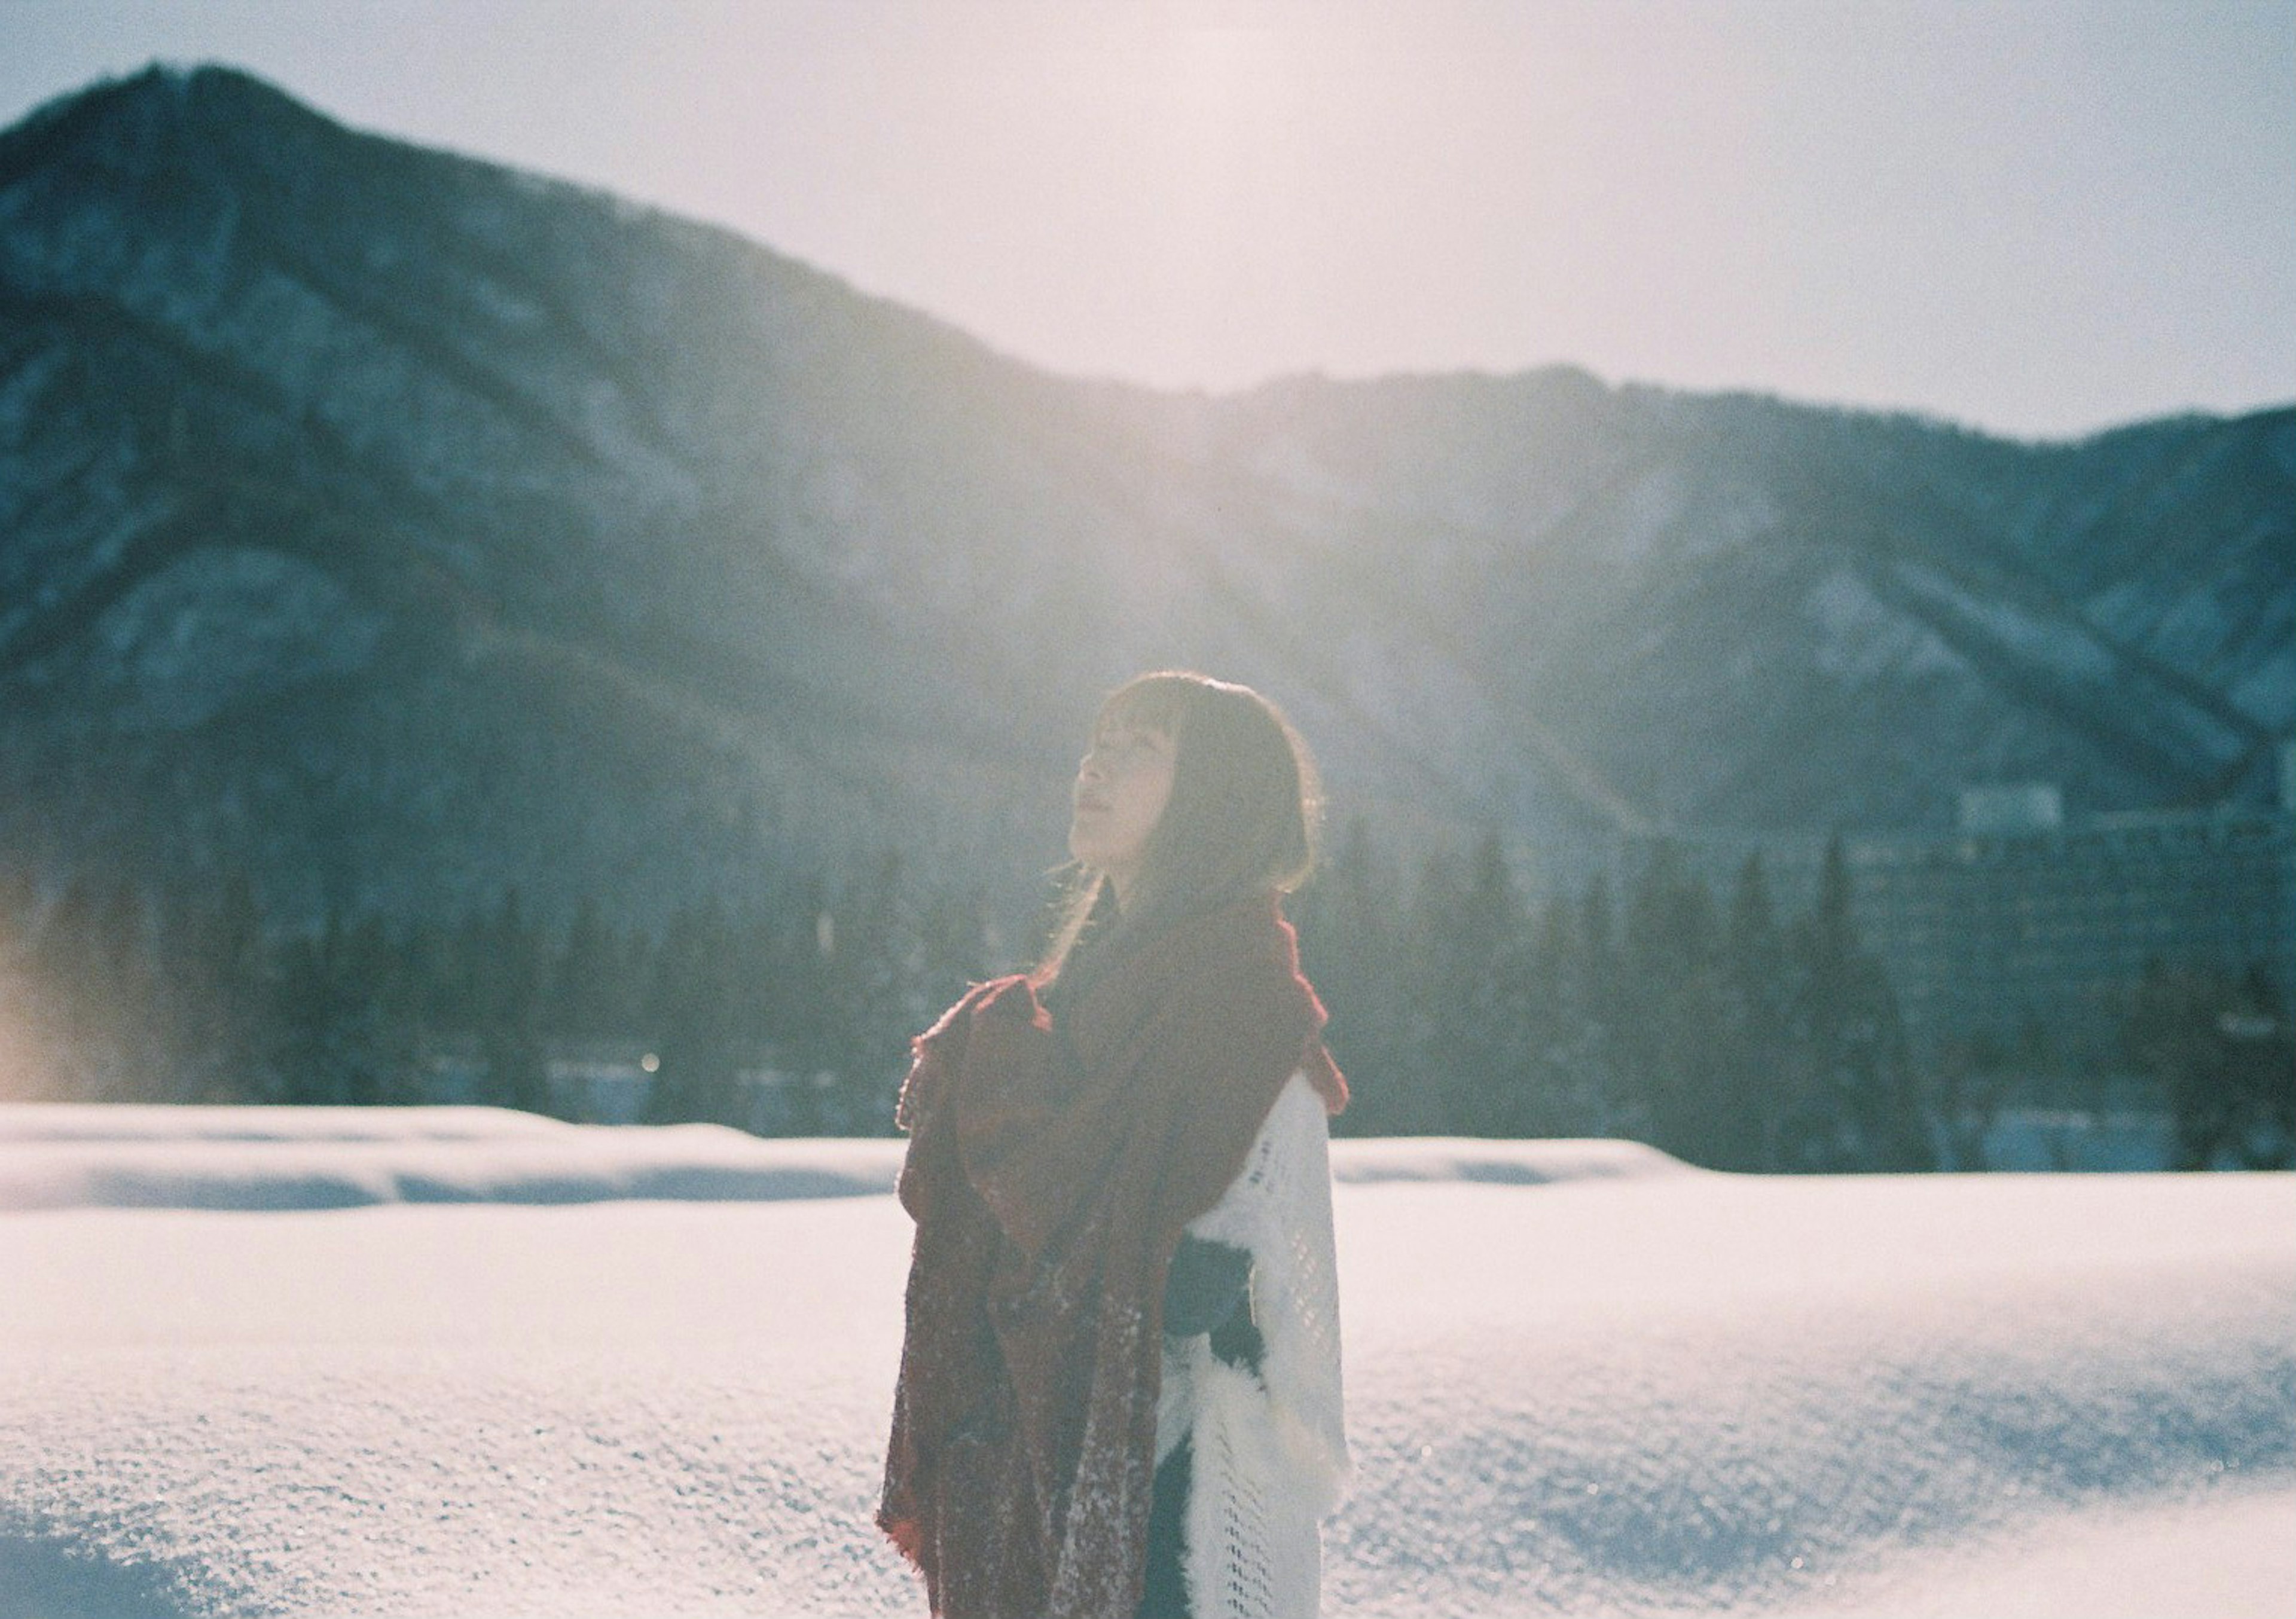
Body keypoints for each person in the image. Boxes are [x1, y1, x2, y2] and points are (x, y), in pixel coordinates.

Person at [878, 670, 1351, 1619]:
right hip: (1029, 1479)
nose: (1095, 763)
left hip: (1169, 1497)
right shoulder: (1046, 1020)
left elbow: (1192, 1288)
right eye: (1100, 739)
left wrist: (1040, 1237)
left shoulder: (1247, 1012)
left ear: (1213, 795)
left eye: (1143, 746)